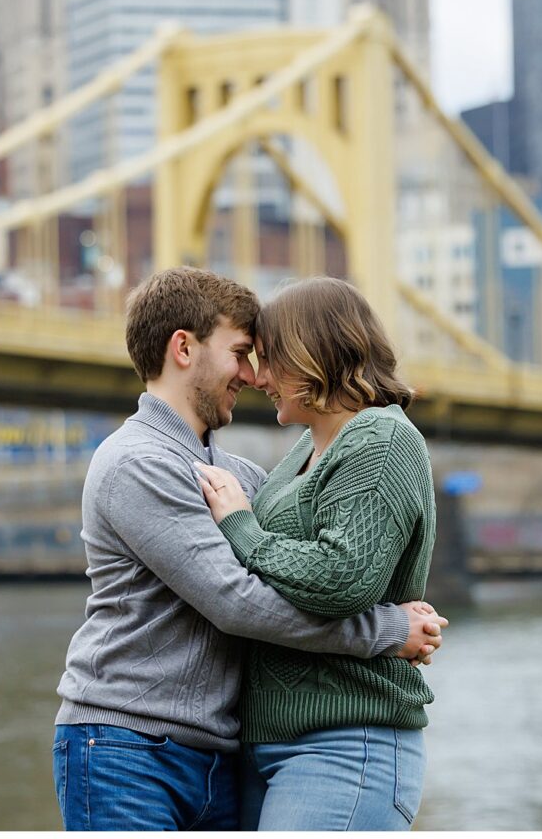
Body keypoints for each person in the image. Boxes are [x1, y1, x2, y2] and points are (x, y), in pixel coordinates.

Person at [54, 267, 444, 834]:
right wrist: (386, 632)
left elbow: (322, 565)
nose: (253, 374)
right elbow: (237, 602)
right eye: (240, 353)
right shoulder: (137, 463)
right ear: (183, 348)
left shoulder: (245, 477)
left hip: (220, 751)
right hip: (128, 743)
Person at [198, 278, 438, 833]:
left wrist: (243, 528)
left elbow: (341, 578)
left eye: (270, 359)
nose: (257, 378)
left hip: (347, 741)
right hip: (270, 744)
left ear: (312, 354)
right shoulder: (305, 449)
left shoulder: (382, 439)